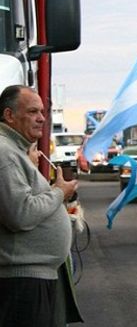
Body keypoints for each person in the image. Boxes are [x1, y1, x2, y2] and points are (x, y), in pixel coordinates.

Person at [0, 85, 78, 326]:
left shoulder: (14, 151)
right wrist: (59, 192)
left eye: (42, 112)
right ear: (9, 115)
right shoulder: (4, 152)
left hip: (33, 277)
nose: (42, 118)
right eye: (33, 111)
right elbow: (20, 214)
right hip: (23, 281)